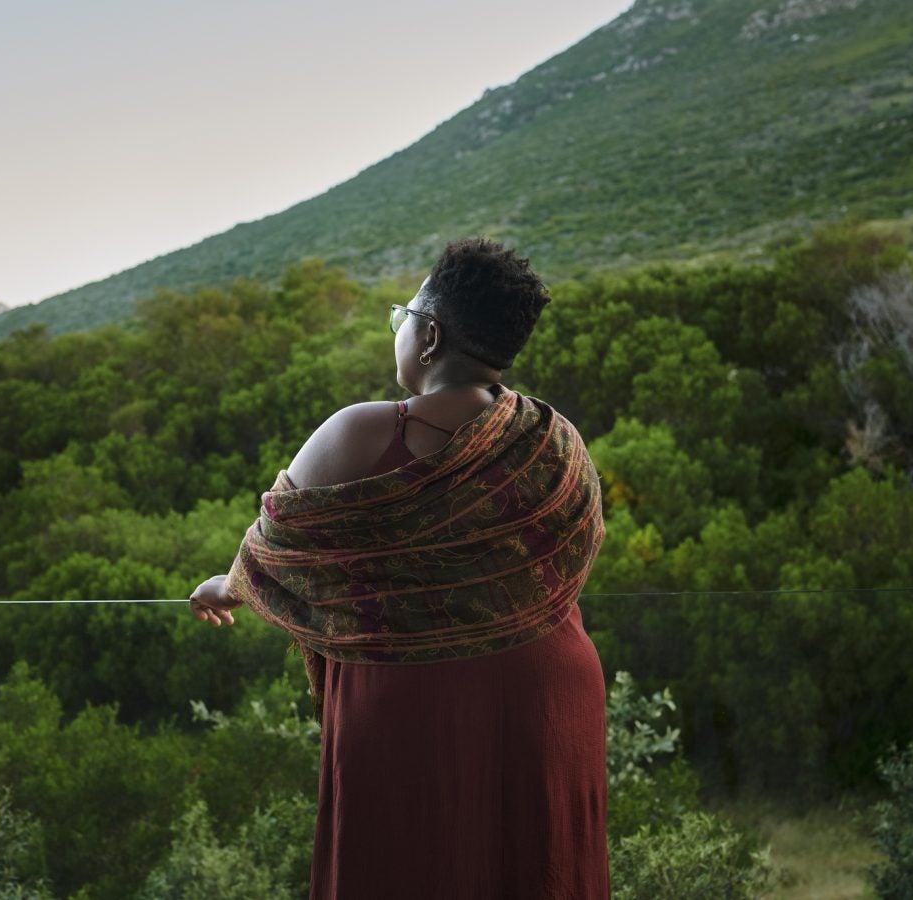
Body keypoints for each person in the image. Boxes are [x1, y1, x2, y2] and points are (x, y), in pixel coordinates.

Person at [189, 238, 609, 899]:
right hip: (549, 694)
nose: (399, 330)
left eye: (402, 317)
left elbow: (274, 552)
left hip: (414, 700)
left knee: (407, 864)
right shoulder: (553, 437)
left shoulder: (363, 432)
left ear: (430, 336)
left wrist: (225, 586)